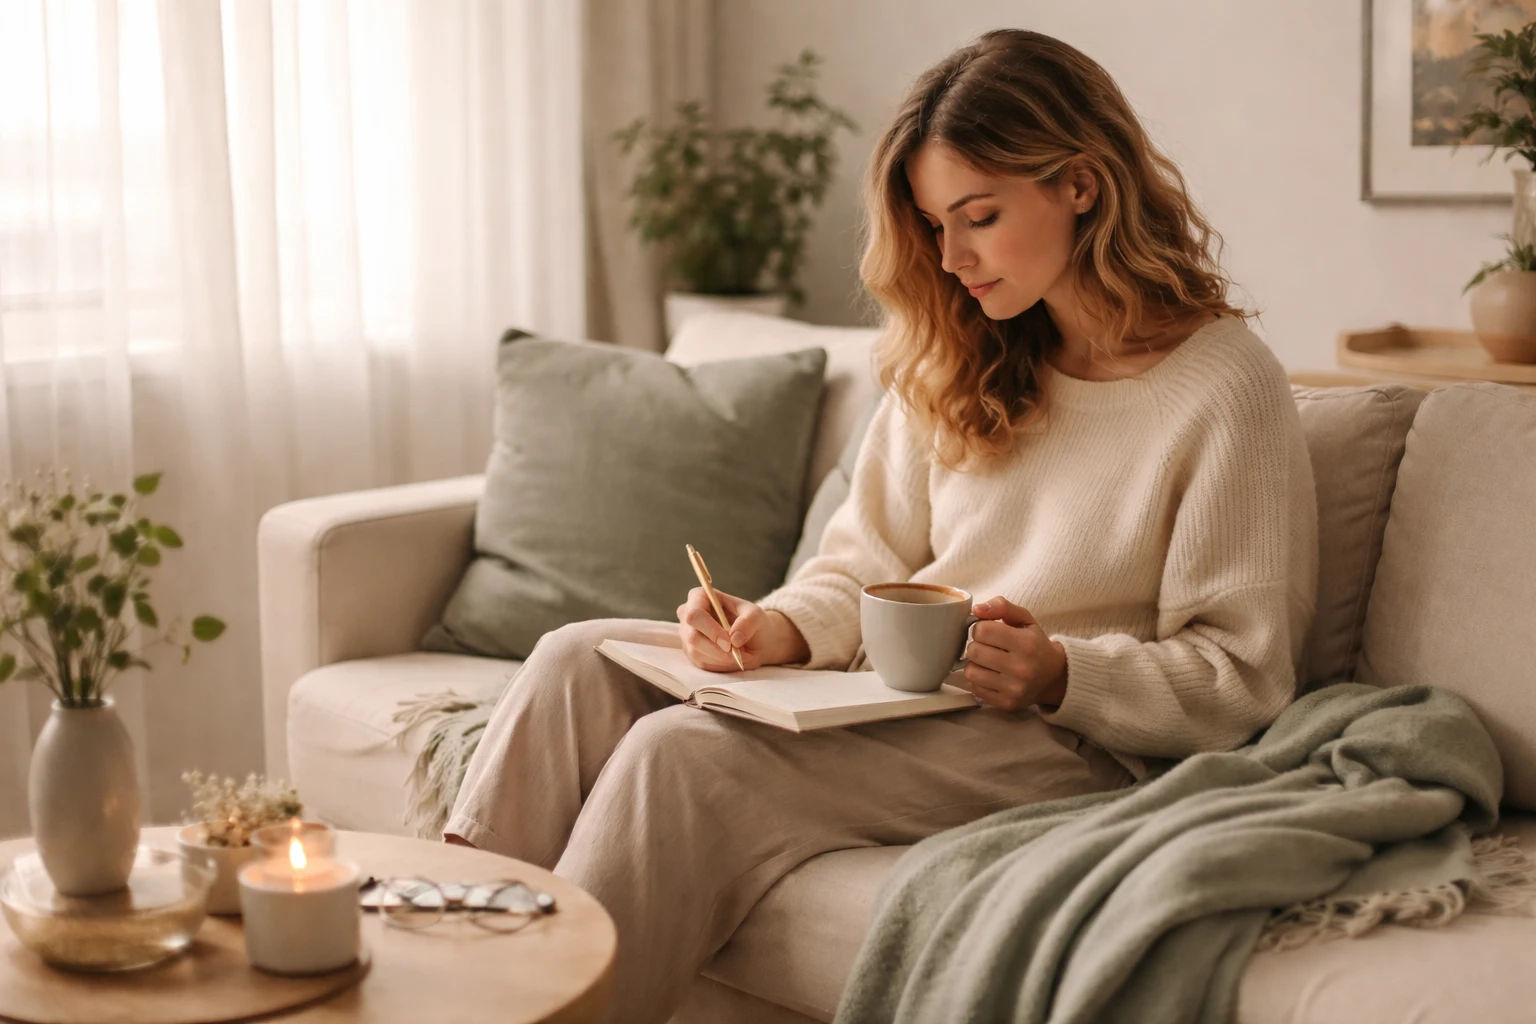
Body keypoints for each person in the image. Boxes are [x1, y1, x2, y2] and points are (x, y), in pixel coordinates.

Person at [445, 28, 1317, 1024]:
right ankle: (451, 973)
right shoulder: (960, 351)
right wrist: (776, 626)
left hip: (1063, 734)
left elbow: (1245, 678)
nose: (950, 259)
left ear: (1081, 184)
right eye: (934, 225)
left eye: (978, 217)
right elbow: (860, 564)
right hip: (900, 698)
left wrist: (1062, 672)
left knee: (680, 755)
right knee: (572, 660)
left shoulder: (1224, 386)